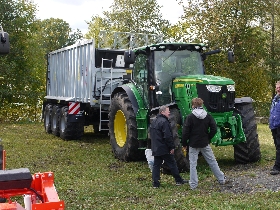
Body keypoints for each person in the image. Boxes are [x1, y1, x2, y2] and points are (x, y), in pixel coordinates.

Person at [182, 98, 226, 190]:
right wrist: (208, 137)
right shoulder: (208, 116)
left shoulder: (190, 117)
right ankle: (221, 179)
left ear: (193, 105)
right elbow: (214, 128)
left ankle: (193, 185)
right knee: (212, 161)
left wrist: (184, 143)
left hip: (193, 143)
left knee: (193, 164)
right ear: (202, 105)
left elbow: (185, 132)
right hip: (204, 142)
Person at [150, 105, 187, 188]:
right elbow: (167, 136)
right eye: (168, 111)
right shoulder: (164, 122)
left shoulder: (154, 121)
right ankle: (178, 180)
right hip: (164, 148)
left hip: (156, 148)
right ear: (162, 112)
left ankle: (156, 183)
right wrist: (171, 147)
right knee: (172, 164)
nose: (169, 112)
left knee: (156, 165)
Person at [269, 81, 280, 175]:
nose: (278, 88)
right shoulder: (275, 99)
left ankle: (277, 167)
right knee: (277, 146)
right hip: (274, 126)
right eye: (277, 87)